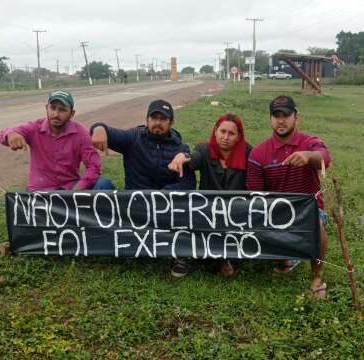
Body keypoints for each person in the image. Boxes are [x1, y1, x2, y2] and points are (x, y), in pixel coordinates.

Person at [90, 99, 196, 277]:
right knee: (104, 189)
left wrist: (161, 196)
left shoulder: (180, 149)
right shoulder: (133, 138)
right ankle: (103, 242)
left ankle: (180, 255)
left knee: (186, 205)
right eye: (154, 118)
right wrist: (98, 128)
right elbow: (108, 132)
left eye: (163, 119)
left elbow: (188, 183)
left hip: (165, 207)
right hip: (135, 204)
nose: (157, 122)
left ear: (171, 122)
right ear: (147, 119)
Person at [245, 95, 331, 293]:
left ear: (296, 117)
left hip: (308, 209)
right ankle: (285, 256)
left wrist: (309, 156)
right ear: (270, 119)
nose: (281, 120)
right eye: (276, 115)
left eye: (286, 115)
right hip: (276, 209)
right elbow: (255, 194)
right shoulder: (258, 153)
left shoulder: (309, 142)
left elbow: (325, 157)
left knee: (317, 227)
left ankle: (317, 277)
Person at [168, 112, 251, 277]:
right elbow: (193, 158)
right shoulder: (204, 149)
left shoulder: (248, 152)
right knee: (185, 211)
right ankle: (182, 256)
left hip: (235, 211)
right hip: (207, 209)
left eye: (231, 133)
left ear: (239, 136)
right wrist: (181, 156)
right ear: (215, 131)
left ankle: (224, 257)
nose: (225, 137)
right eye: (222, 131)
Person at [0, 90, 114, 191]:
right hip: (40, 189)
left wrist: (78, 189)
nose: (56, 114)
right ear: (46, 108)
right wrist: (10, 135)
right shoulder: (34, 128)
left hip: (71, 187)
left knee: (104, 184)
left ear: (71, 113)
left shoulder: (81, 133)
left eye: (62, 110)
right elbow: (4, 133)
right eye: (52, 108)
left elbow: (93, 167)